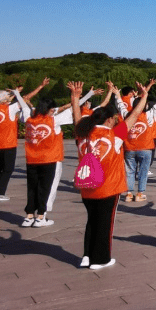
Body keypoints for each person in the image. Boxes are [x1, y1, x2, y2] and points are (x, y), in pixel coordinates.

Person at [70, 81, 146, 270]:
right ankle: (100, 259)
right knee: (105, 224)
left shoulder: (82, 134)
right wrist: (144, 96)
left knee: (92, 221)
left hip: (87, 188)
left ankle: (87, 256)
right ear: (110, 120)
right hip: (108, 188)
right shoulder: (115, 135)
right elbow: (135, 114)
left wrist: (75, 98)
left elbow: (77, 117)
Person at [15, 87, 93, 227]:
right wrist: (79, 96)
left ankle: (28, 216)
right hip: (49, 159)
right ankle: (40, 217)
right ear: (50, 109)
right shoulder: (54, 120)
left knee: (32, 187)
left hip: (32, 159)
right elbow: (72, 110)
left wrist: (16, 94)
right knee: (45, 188)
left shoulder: (28, 119)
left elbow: (24, 105)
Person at [0, 76, 49, 202]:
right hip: (7, 145)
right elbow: (26, 98)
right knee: (7, 169)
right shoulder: (9, 109)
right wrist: (40, 87)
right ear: (3, 101)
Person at [121, 80, 156, 203]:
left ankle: (128, 193)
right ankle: (140, 193)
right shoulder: (148, 115)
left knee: (130, 171)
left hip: (129, 148)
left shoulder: (127, 115)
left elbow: (119, 104)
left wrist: (116, 94)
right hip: (145, 148)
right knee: (143, 172)